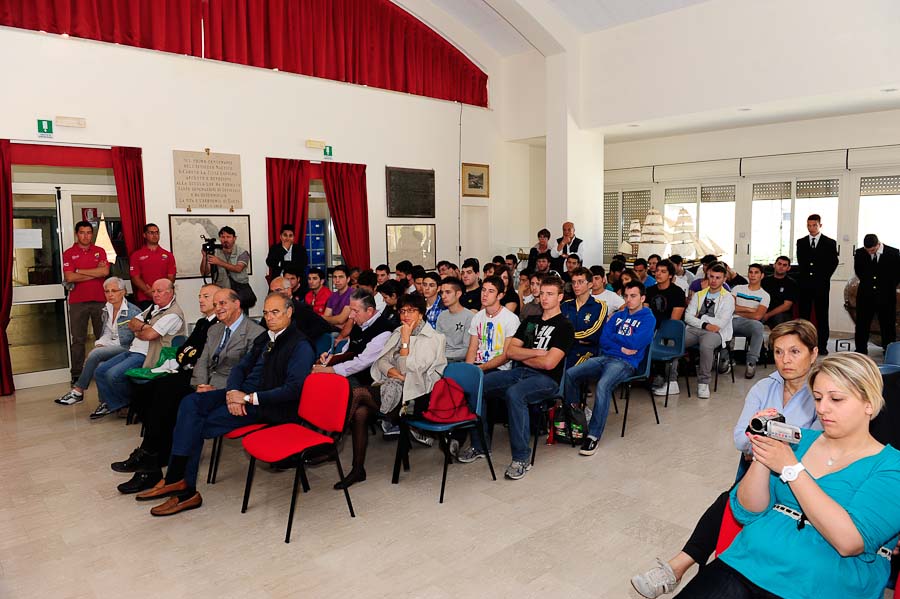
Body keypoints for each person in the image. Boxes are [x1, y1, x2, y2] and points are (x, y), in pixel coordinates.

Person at [672, 353, 900, 599]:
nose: (822, 409)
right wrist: (763, 453)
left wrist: (791, 469)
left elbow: (849, 541)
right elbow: (748, 510)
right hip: (748, 561)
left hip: (824, 584)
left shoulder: (890, 465)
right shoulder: (799, 439)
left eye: (836, 399)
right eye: (818, 398)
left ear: (869, 403)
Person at [632, 320, 823, 598]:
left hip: (801, 483)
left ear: (813, 354)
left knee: (729, 498)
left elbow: (817, 451)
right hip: (760, 474)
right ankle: (676, 568)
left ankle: (678, 567)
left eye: (795, 352)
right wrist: (773, 442)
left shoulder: (823, 396)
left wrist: (764, 441)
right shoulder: (763, 388)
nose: (785, 360)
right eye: (779, 352)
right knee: (733, 497)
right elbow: (740, 439)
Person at [136, 292, 315, 516]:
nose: (269, 317)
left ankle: (182, 488)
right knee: (190, 403)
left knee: (196, 423)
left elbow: (294, 390)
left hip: (268, 405)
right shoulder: (266, 337)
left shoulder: (300, 345)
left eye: (275, 312)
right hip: (241, 394)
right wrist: (232, 392)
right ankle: (177, 481)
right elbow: (240, 368)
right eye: (266, 312)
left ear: (289, 312)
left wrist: (247, 399)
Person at [114, 287, 265, 495]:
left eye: (222, 303)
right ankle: (151, 459)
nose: (218, 308)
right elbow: (202, 360)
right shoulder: (215, 329)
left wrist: (214, 387)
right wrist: (201, 384)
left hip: (227, 388)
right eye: (216, 304)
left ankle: (157, 466)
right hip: (204, 383)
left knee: (175, 400)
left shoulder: (255, 333)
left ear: (237, 304)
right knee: (160, 389)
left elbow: (245, 372)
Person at [333, 293, 447, 489]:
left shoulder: (433, 338)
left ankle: (333, 440)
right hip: (394, 387)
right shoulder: (398, 331)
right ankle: (358, 469)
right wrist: (392, 372)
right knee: (360, 412)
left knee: (358, 393)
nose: (405, 315)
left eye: (411, 311)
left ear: (421, 313)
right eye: (402, 311)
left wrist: (405, 342)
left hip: (416, 401)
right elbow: (382, 361)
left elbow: (408, 370)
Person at [466, 276, 574, 480]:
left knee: (515, 394)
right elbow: (511, 351)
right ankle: (480, 446)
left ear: (560, 297)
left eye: (550, 294)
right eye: (542, 293)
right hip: (521, 372)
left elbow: (549, 364)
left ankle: (521, 458)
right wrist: (537, 353)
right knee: (477, 385)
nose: (544, 298)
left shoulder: (565, 326)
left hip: (547, 380)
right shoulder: (530, 321)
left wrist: (525, 355)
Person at [562, 280, 655, 455]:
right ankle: (576, 419)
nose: (628, 300)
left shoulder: (648, 319)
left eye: (633, 296)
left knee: (603, 385)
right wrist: (621, 347)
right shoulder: (618, 315)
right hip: (605, 357)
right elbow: (603, 339)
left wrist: (615, 340)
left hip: (626, 363)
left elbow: (635, 343)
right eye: (626, 296)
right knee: (570, 374)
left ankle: (593, 435)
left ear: (642, 298)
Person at [90, 279, 186, 420]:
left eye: (159, 291)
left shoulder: (173, 314)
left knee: (113, 375)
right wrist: (144, 327)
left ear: (170, 292)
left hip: (148, 355)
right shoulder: (154, 307)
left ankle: (129, 405)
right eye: (153, 291)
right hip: (132, 350)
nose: (155, 294)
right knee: (99, 371)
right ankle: (117, 404)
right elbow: (132, 323)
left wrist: (140, 330)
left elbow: (149, 335)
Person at [54, 277, 142, 405]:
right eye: (107, 291)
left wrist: (99, 350)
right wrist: (100, 344)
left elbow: (129, 340)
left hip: (128, 347)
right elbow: (107, 333)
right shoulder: (107, 308)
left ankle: (78, 391)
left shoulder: (133, 312)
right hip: (114, 346)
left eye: (114, 291)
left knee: (95, 354)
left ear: (123, 292)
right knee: (99, 365)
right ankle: (105, 403)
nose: (110, 294)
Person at [312, 291, 395, 387]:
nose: (351, 315)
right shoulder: (359, 324)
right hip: (350, 372)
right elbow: (347, 350)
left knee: (322, 383)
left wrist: (331, 369)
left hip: (365, 380)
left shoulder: (384, 331)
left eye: (355, 311)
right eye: (351, 310)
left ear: (369, 311)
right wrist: (331, 357)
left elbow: (363, 362)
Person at [63, 220, 110, 385]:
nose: (86, 236)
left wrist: (79, 271)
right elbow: (69, 277)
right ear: (77, 234)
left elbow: (105, 271)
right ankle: (77, 374)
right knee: (78, 340)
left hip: (100, 301)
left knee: (103, 338)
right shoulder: (69, 253)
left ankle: (104, 371)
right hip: (78, 302)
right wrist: (95, 272)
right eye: (82, 233)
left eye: (89, 233)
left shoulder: (99, 251)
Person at [684, 262, 734, 399]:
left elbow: (720, 324)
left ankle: (703, 382)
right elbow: (687, 317)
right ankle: (671, 380)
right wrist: (705, 323)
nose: (714, 280)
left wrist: (700, 317)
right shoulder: (699, 295)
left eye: (718, 278)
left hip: (716, 333)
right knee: (676, 342)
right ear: (707, 276)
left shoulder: (728, 298)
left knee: (706, 345)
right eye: (711, 277)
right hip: (697, 328)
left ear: (724, 279)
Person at [795, 214, 839, 355]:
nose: (811, 228)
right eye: (809, 225)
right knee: (804, 316)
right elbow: (802, 262)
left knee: (822, 316)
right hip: (805, 285)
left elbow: (833, 262)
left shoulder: (829, 242)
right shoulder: (801, 242)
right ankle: (804, 343)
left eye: (814, 225)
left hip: (821, 285)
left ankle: (822, 345)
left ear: (820, 225)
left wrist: (823, 277)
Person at [645, 260, 687, 397]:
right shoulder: (649, 290)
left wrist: (658, 332)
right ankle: (647, 374)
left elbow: (674, 320)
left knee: (668, 342)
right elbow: (645, 313)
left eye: (663, 272)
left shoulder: (677, 292)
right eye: (657, 271)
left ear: (670, 275)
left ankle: (670, 380)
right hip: (652, 327)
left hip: (670, 330)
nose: (658, 274)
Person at [854, 233, 900, 354]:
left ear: (878, 244)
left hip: (886, 296)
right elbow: (859, 271)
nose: (869, 252)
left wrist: (885, 287)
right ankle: (861, 350)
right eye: (867, 250)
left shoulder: (893, 253)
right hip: (865, 295)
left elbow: (897, 275)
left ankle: (888, 350)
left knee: (887, 324)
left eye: (872, 250)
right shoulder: (860, 253)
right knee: (862, 324)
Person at [464, 276, 520, 373]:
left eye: (491, 291)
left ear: (500, 296)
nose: (485, 294)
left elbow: (506, 355)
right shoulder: (477, 317)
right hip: (477, 365)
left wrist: (480, 369)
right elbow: (472, 349)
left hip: (499, 369)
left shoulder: (511, 319)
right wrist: (468, 370)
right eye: (483, 290)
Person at [728, 264, 770, 379]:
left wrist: (737, 309)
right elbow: (729, 308)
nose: (752, 275)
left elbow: (758, 316)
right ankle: (724, 359)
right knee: (722, 324)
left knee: (758, 326)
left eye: (756, 272)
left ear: (762, 276)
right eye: (751, 272)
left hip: (749, 324)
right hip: (731, 321)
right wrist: (749, 309)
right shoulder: (737, 289)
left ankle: (751, 362)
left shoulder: (765, 295)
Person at [560, 266, 607, 367]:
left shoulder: (600, 306)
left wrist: (568, 336)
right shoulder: (565, 305)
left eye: (580, 282)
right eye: (573, 282)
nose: (576, 286)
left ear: (590, 284)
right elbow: (558, 328)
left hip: (587, 351)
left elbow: (593, 333)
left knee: (569, 371)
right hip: (564, 348)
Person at [268, 277, 333, 342]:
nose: (274, 294)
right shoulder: (270, 309)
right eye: (272, 291)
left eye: (278, 290)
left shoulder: (301, 308)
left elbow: (323, 326)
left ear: (289, 290)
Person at [129, 223, 177, 310]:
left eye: (157, 232)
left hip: (165, 298)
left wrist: (161, 292)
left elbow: (171, 277)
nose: (155, 235)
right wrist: (150, 292)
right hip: (145, 298)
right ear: (144, 235)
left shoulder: (168, 255)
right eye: (151, 233)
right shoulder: (136, 255)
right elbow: (135, 278)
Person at [199, 225, 251, 299]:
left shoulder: (242, 252)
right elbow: (204, 273)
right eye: (223, 237)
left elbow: (238, 269)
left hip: (239, 291)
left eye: (228, 237)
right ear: (220, 238)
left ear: (234, 238)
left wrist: (219, 262)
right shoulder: (215, 252)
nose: (225, 239)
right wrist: (204, 257)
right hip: (221, 291)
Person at [436, 277, 474, 362]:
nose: (443, 296)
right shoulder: (441, 316)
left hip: (459, 361)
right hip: (440, 359)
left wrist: (443, 356)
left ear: (458, 294)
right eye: (442, 292)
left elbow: (467, 349)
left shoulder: (469, 317)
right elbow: (438, 342)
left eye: (448, 292)